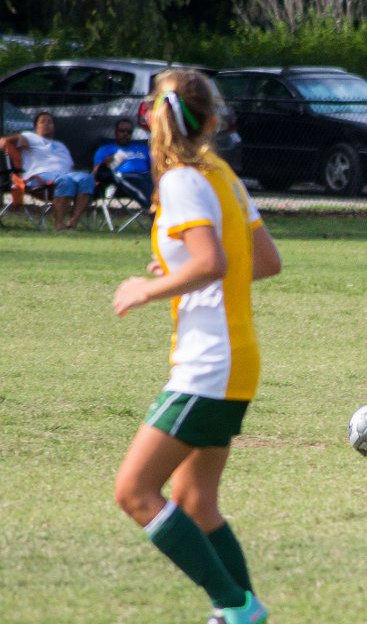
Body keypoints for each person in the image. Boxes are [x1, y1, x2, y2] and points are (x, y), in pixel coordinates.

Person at [112, 69, 281, 624]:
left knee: (135, 491)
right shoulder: (220, 173)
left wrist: (148, 288)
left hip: (207, 365)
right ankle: (242, 614)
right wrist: (178, 268)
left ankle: (235, 607)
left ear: (151, 118)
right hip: (236, 359)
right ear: (211, 120)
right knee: (195, 501)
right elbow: (265, 261)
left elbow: (212, 263)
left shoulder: (182, 180)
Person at [0, 111, 95, 231]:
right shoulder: (29, 136)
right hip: (38, 176)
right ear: (36, 126)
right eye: (42, 122)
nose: (46, 124)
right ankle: (59, 225)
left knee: (86, 178)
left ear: (54, 126)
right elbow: (2, 143)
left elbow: (70, 167)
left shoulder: (61, 146)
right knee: (65, 180)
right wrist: (17, 138)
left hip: (65, 175)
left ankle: (72, 223)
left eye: (49, 122)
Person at [93, 118, 153, 207]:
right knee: (137, 181)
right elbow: (97, 173)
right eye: (122, 131)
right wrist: (107, 162)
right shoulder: (105, 149)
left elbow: (154, 166)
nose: (125, 134)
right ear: (116, 132)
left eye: (129, 132)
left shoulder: (142, 148)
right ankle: (152, 208)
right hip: (124, 178)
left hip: (147, 176)